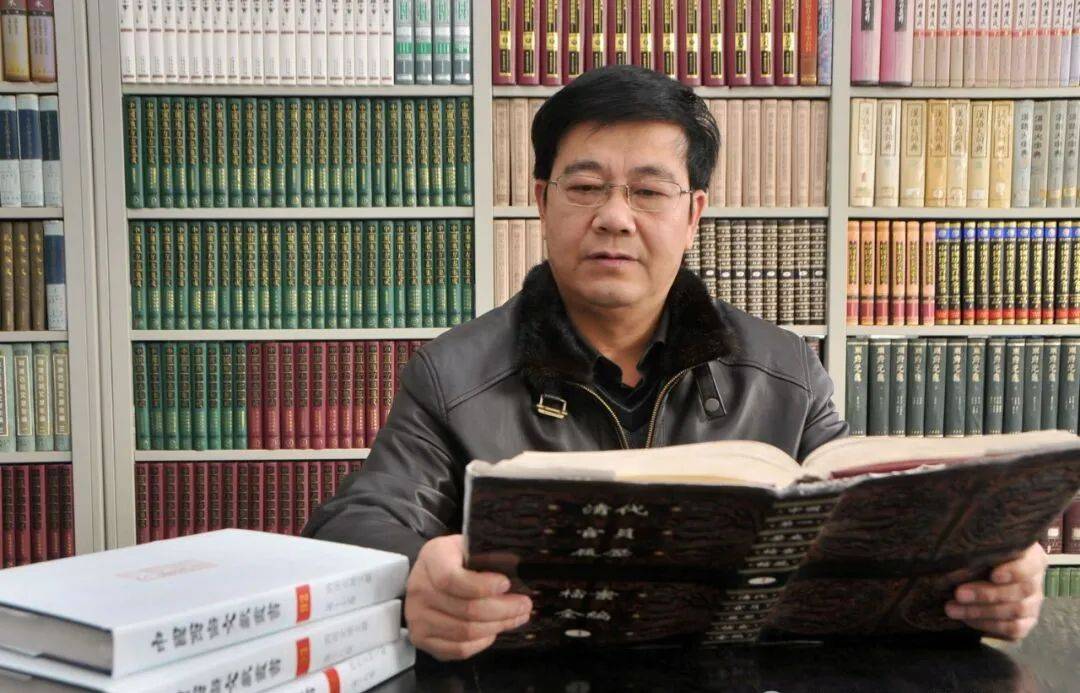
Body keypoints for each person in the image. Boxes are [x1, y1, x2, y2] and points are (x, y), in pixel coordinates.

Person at [303, 65, 1048, 661]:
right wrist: (416, 574)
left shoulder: (785, 373)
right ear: (542, 201)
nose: (614, 217)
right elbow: (354, 522)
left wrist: (985, 571)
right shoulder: (453, 374)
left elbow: (867, 522)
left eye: (648, 191)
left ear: (692, 214)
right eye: (585, 187)